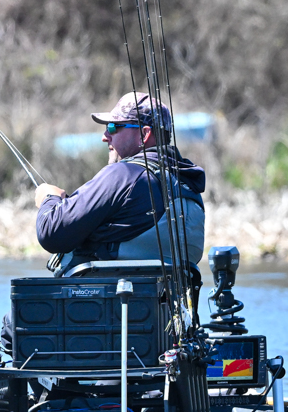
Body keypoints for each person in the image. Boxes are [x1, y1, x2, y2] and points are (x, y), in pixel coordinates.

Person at [34, 92, 206, 275]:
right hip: (162, 294)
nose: (105, 136)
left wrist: (49, 198)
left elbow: (51, 233)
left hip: (109, 292)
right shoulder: (188, 184)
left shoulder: (123, 174)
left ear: (144, 134)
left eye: (113, 127)